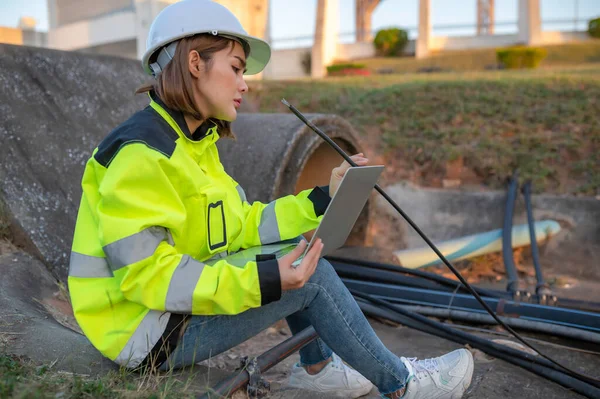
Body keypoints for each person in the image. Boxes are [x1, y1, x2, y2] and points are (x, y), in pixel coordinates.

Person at [67, 1, 474, 397]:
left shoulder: (192, 143)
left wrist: (321, 199)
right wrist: (266, 281)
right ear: (194, 63)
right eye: (236, 68)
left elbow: (243, 226)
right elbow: (148, 277)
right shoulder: (141, 153)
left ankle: (317, 369)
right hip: (143, 334)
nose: (245, 83)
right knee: (308, 275)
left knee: (294, 255)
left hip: (164, 315)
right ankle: (401, 383)